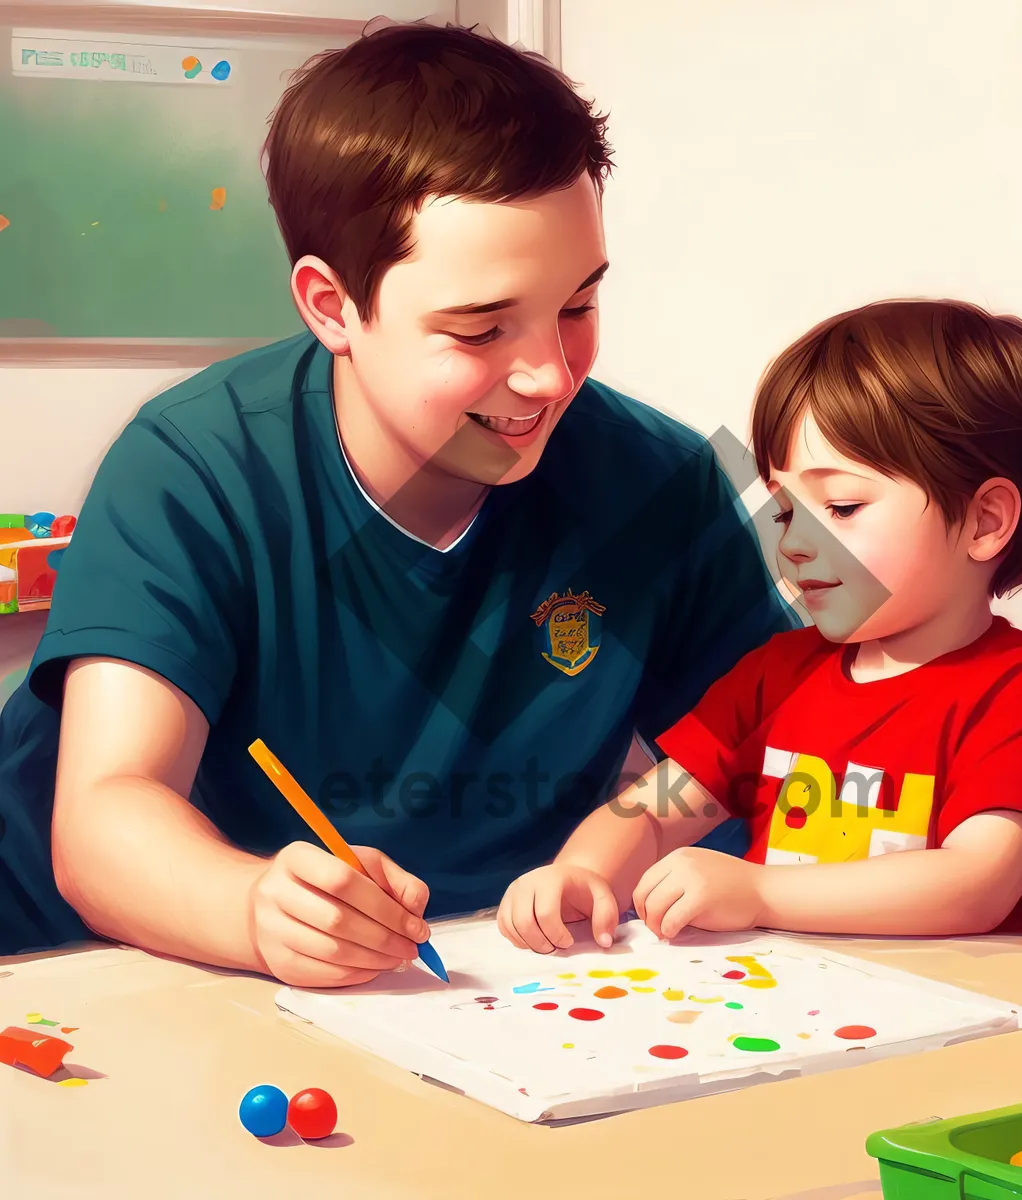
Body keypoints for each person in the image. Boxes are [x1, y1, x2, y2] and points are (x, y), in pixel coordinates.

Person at [0, 23, 797, 982]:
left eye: (578, 307)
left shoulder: (667, 475)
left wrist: (609, 851)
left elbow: (772, 743)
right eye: (480, 328)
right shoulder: (187, 461)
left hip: (482, 982)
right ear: (332, 307)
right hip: (110, 972)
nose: (550, 375)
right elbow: (104, 818)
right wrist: (255, 907)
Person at [498, 299, 1022, 953]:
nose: (792, 543)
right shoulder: (777, 674)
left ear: (986, 521)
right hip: (793, 1011)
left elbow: (975, 883)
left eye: (841, 506)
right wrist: (581, 874)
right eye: (786, 510)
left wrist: (759, 894)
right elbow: (649, 812)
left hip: (958, 1017)